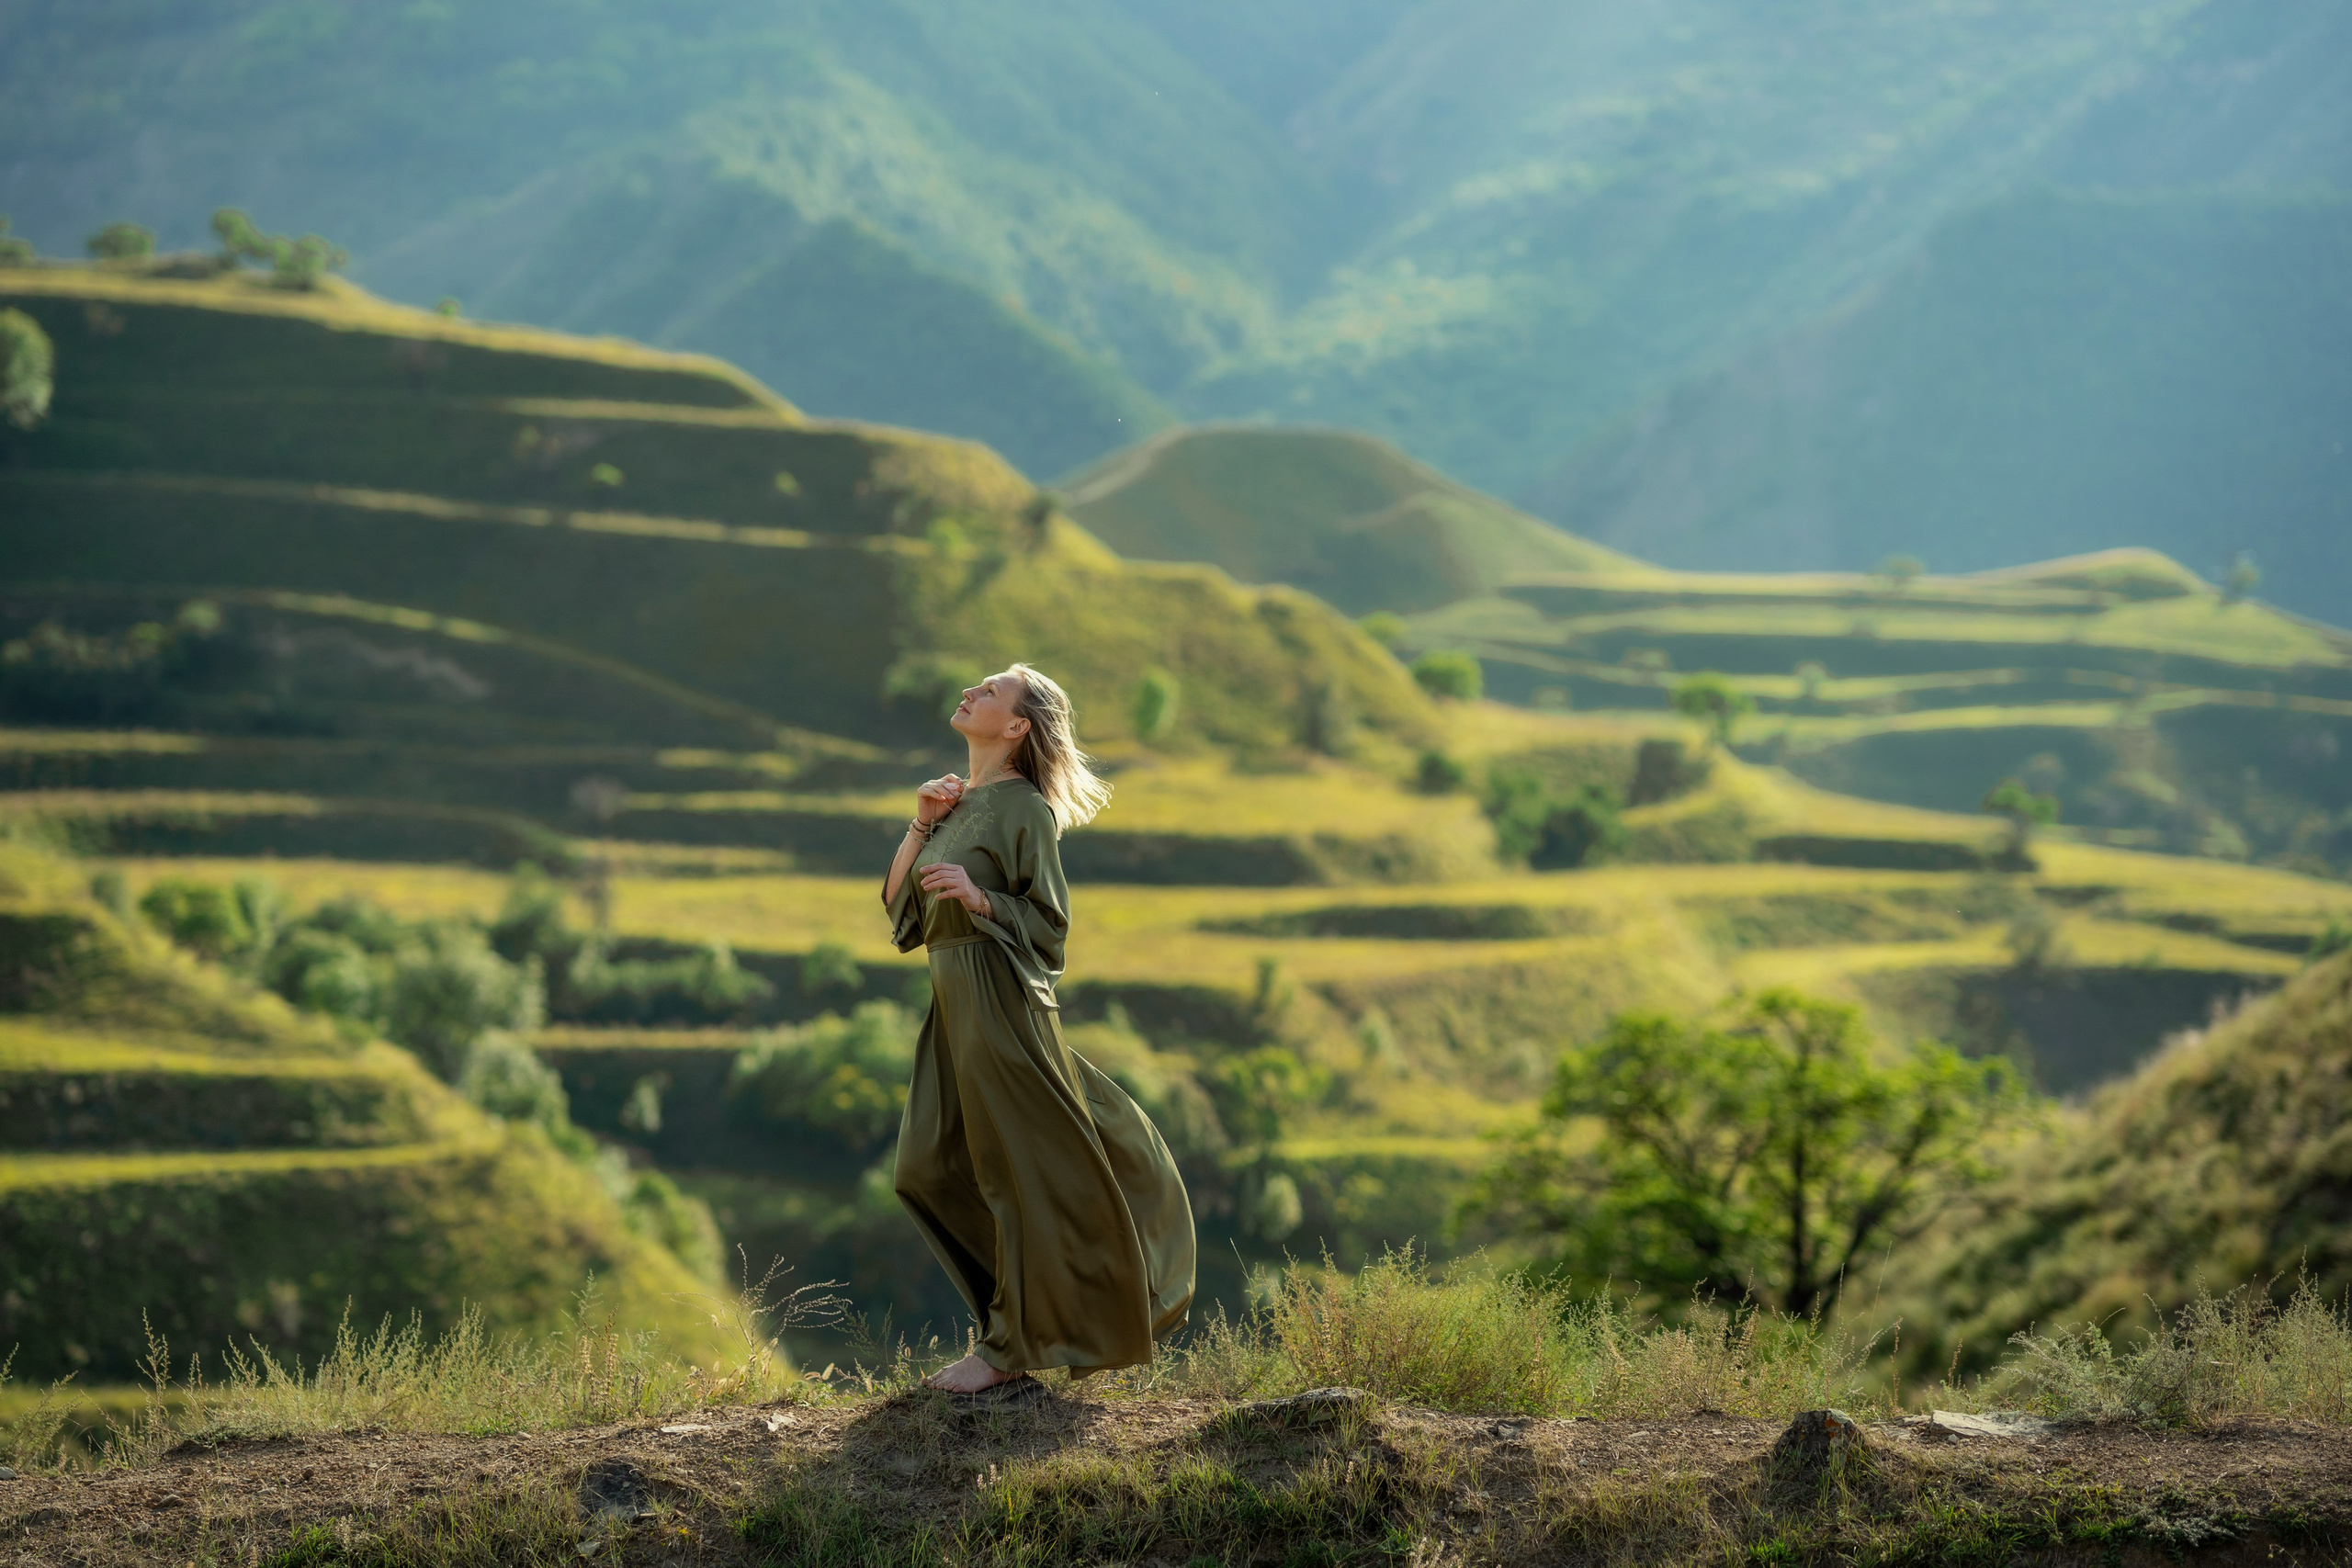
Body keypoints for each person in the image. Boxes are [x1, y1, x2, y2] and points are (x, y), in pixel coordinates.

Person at [882, 663, 1195, 1397]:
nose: (971, 691)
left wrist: (981, 899)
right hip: (951, 1006)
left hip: (1003, 1005)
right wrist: (921, 822)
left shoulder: (1025, 809)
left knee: (1014, 1174)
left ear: (1017, 726)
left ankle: (1007, 1347)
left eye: (991, 691)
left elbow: (1051, 931)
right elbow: (900, 914)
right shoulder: (956, 804)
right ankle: (1026, 1318)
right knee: (926, 1169)